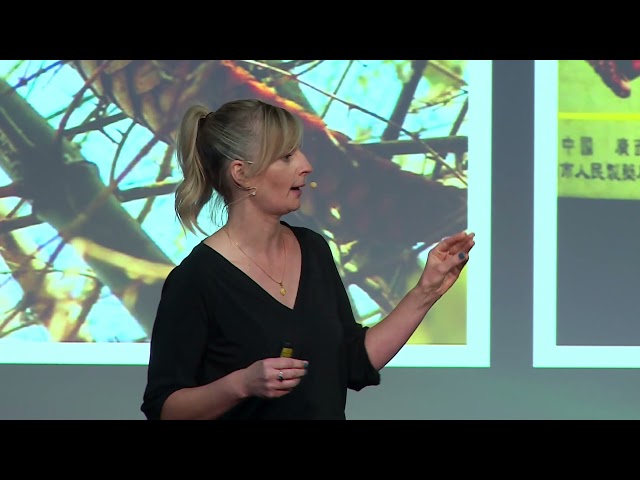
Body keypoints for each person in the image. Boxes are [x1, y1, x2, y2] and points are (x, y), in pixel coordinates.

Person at [140, 98, 475, 420]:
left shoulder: (313, 249)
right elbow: (165, 408)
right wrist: (240, 384)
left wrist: (426, 291)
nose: (306, 166)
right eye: (287, 157)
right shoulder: (196, 279)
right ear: (242, 174)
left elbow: (353, 362)